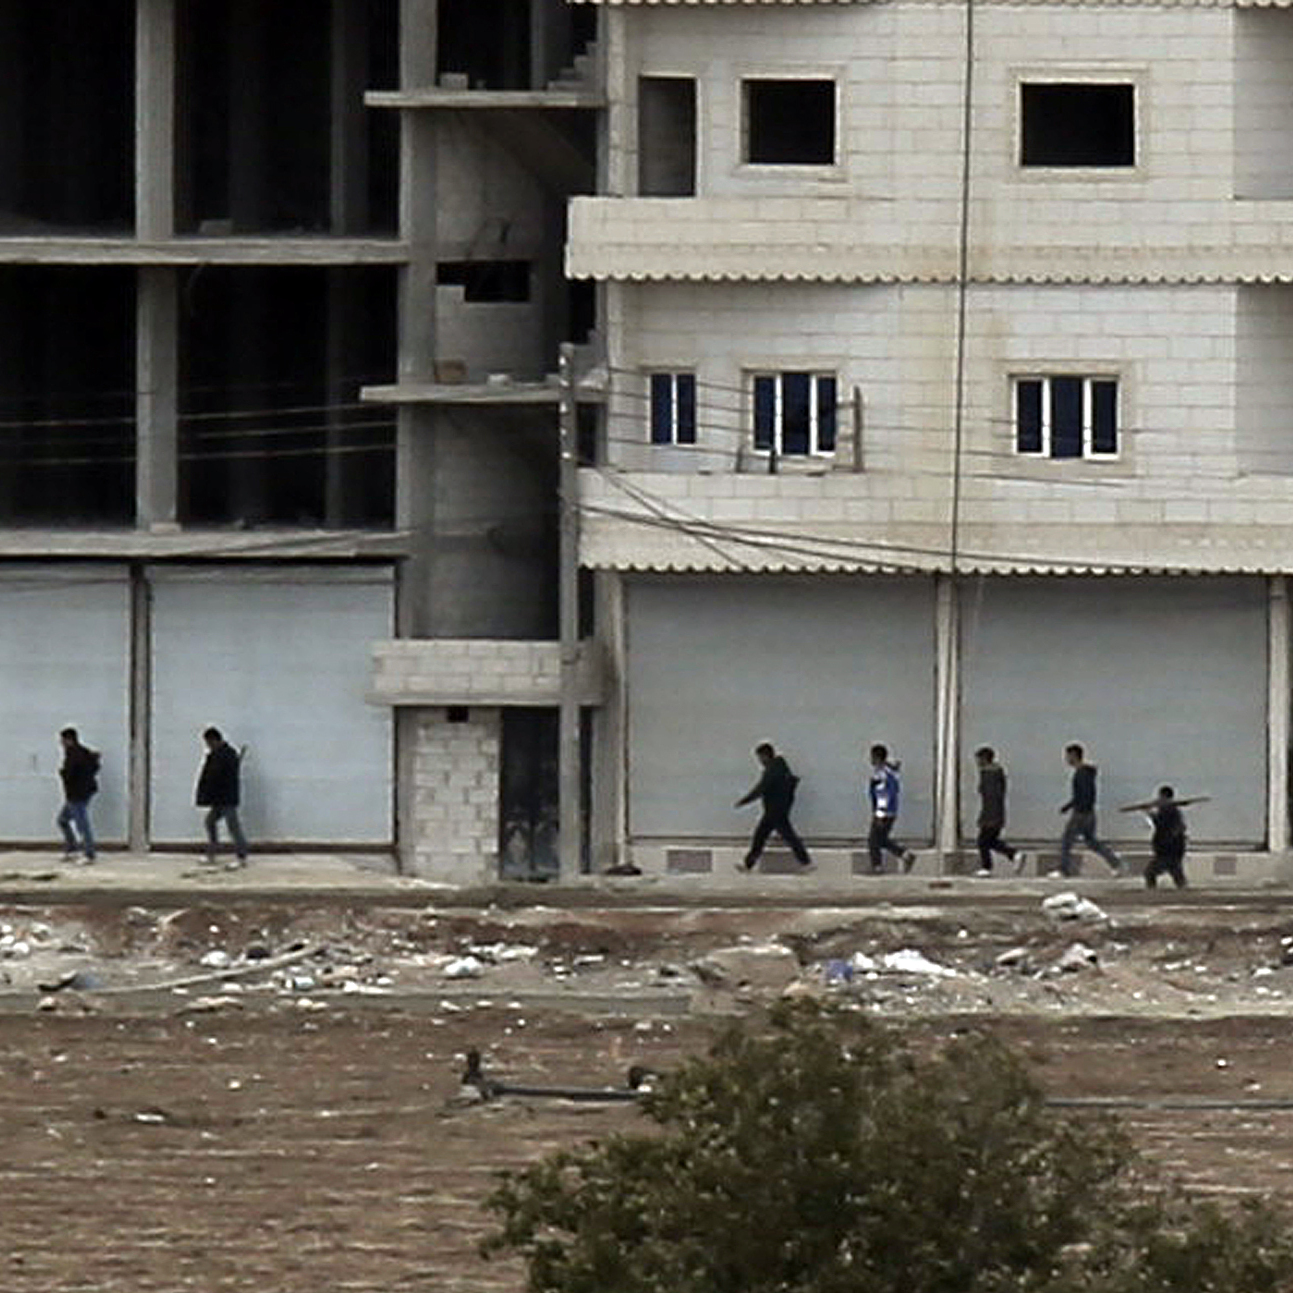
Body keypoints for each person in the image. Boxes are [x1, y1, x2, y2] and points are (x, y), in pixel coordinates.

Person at [734, 742, 813, 873]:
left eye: (759, 757)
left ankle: (806, 863)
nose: (759, 761)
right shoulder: (780, 768)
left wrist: (744, 801)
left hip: (775, 811)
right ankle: (748, 864)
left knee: (783, 836)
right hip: (776, 810)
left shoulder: (773, 770)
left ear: (765, 756)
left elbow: (761, 788)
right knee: (762, 836)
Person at [1057, 743, 1123, 878]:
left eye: (1068, 756)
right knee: (1092, 842)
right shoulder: (1086, 773)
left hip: (1081, 813)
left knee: (1066, 841)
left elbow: (1084, 794)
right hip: (1088, 812)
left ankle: (1064, 870)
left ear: (1074, 756)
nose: (1066, 759)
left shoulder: (1081, 773)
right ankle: (1116, 863)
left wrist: (1074, 808)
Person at [196, 727, 248, 869]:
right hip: (219, 798)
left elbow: (223, 777)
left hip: (227, 798)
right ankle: (212, 852)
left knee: (233, 827)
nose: (208, 745)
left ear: (215, 740)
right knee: (210, 822)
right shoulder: (215, 755)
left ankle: (241, 856)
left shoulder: (228, 754)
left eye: (209, 742)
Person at [973, 746, 1028, 876]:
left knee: (983, 841)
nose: (977, 762)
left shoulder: (988, 774)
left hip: (991, 814)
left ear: (984, 759)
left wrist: (985, 816)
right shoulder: (996, 773)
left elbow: (990, 796)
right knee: (990, 841)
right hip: (995, 813)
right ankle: (1012, 855)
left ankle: (989, 866)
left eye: (979, 759)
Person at [867, 744, 917, 874]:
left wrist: (879, 814)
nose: (870, 759)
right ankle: (905, 855)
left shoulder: (881, 774)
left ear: (877, 758)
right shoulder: (890, 772)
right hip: (892, 811)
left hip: (884, 812)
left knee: (873, 840)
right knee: (882, 839)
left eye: (872, 756)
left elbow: (882, 794)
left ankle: (877, 867)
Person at [56, 726, 99, 863]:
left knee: (82, 824)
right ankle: (72, 849)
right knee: (63, 820)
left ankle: (89, 854)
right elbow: (95, 766)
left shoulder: (73, 755)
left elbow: (69, 775)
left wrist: (62, 773)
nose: (61, 743)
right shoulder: (84, 752)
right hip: (82, 793)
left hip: (76, 795)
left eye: (62, 740)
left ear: (69, 740)